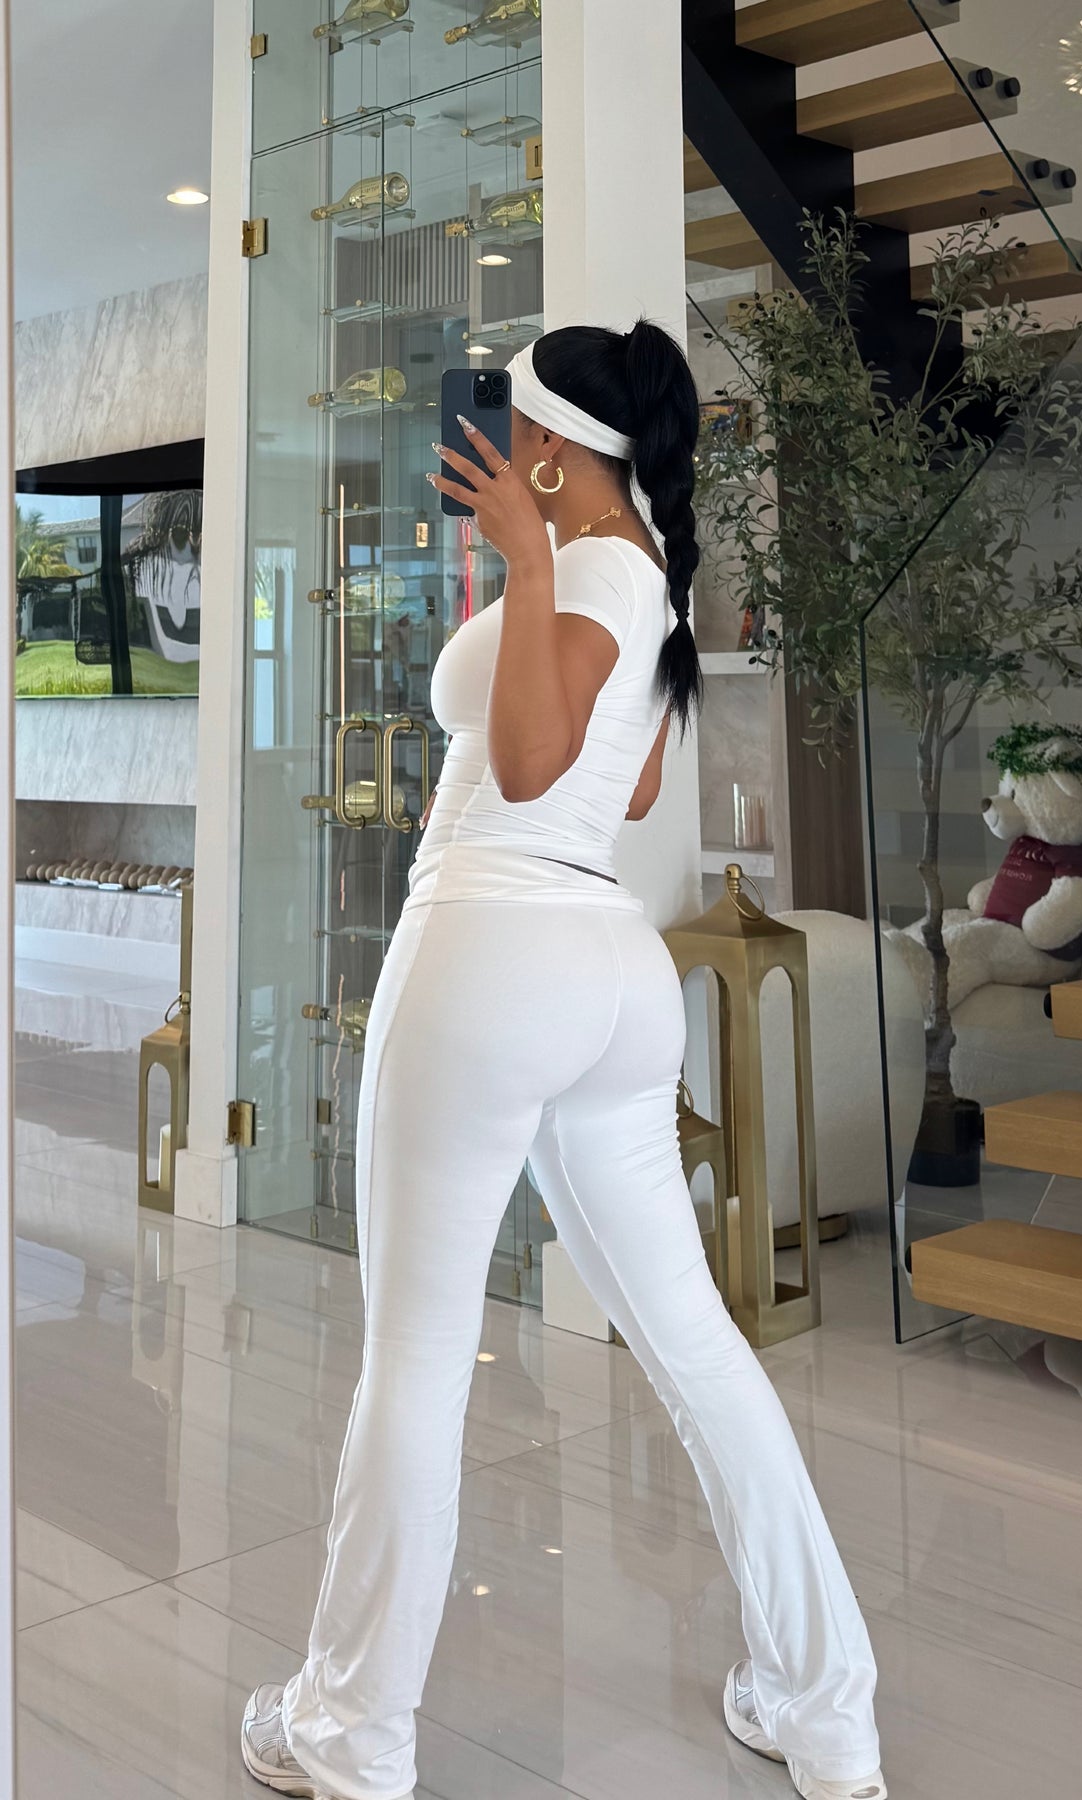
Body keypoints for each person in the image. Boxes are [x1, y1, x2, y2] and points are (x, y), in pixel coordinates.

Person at [240, 321, 886, 1800]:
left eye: (508, 422)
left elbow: (528, 772)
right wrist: (528, 579)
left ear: (544, 444)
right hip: (608, 974)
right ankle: (824, 1713)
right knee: (695, 1345)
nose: (493, 443)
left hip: (490, 950)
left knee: (414, 1358)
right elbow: (629, 784)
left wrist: (523, 565)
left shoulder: (576, 567)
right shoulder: (645, 574)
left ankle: (349, 1732)